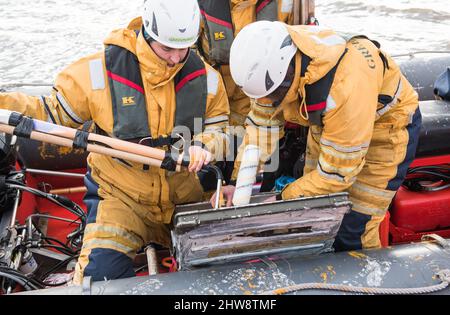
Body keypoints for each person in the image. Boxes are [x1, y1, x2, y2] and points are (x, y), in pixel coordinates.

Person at [0, 0, 230, 283]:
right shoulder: (98, 72)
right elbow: (50, 111)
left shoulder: (207, 78)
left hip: (185, 197)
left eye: (183, 48)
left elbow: (221, 130)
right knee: (99, 279)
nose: (175, 58)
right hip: (121, 198)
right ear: (148, 33)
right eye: (167, 48)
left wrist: (204, 146)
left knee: (218, 276)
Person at [218, 21, 421, 251]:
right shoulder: (279, 63)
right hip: (326, 125)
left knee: (354, 227)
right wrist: (237, 182)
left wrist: (283, 200)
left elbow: (336, 175)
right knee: (314, 213)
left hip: (385, 131)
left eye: (272, 95)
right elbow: (261, 127)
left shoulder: (345, 87)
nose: (268, 102)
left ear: (287, 73)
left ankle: (366, 278)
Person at [195, 0, 299, 186]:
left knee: (257, 170)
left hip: (266, 101)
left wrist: (239, 183)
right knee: (208, 166)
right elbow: (187, 58)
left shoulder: (288, 5)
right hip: (218, 108)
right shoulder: (196, 7)